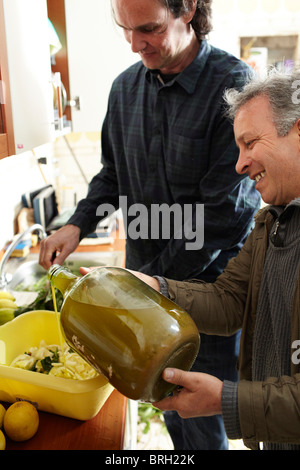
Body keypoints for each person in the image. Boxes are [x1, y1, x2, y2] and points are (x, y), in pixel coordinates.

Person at [39, 0, 260, 450]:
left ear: (188, 10)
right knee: (166, 410)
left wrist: (147, 283)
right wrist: (76, 226)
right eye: (125, 29)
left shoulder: (234, 87)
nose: (136, 44)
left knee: (202, 427)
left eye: (149, 29)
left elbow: (223, 218)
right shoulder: (123, 89)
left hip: (205, 301)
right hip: (136, 293)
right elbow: (112, 174)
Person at [124, 68, 300, 450]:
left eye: (250, 142)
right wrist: (153, 286)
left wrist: (224, 399)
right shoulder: (270, 222)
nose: (239, 164)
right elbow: (228, 301)